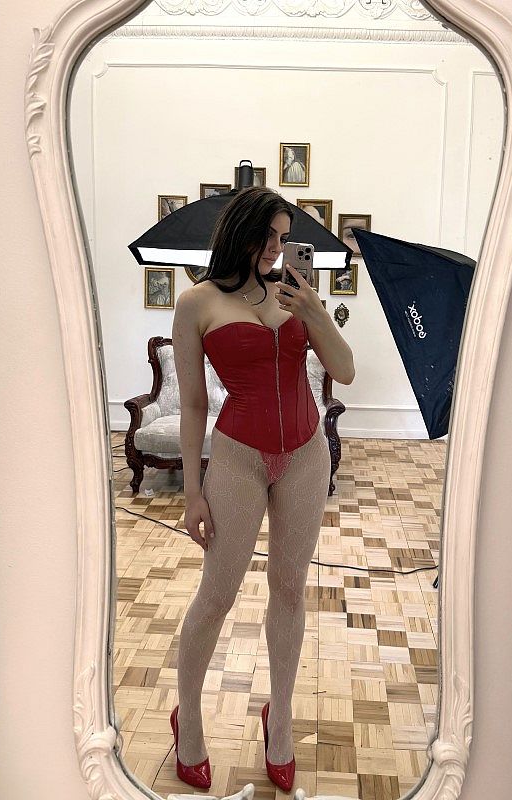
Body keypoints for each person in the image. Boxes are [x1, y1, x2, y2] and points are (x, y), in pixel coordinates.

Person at [171, 187, 354, 792]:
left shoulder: (293, 295)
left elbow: (345, 370)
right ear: (240, 232)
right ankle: (188, 717)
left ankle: (280, 719)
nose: (276, 248)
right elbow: (193, 404)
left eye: (283, 238)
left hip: (305, 455)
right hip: (237, 457)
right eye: (268, 236)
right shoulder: (196, 303)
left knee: (290, 590)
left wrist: (315, 311)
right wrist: (192, 492)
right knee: (217, 593)